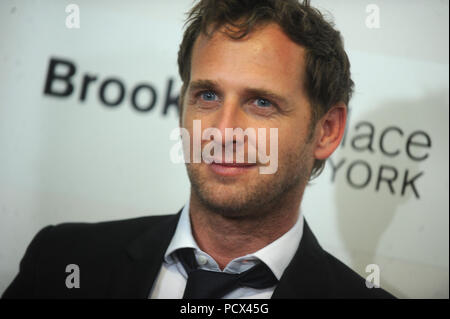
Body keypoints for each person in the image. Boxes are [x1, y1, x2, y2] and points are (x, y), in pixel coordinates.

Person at [3, 0, 395, 299]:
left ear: (326, 130)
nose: (222, 131)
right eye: (207, 95)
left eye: (261, 102)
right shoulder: (61, 261)